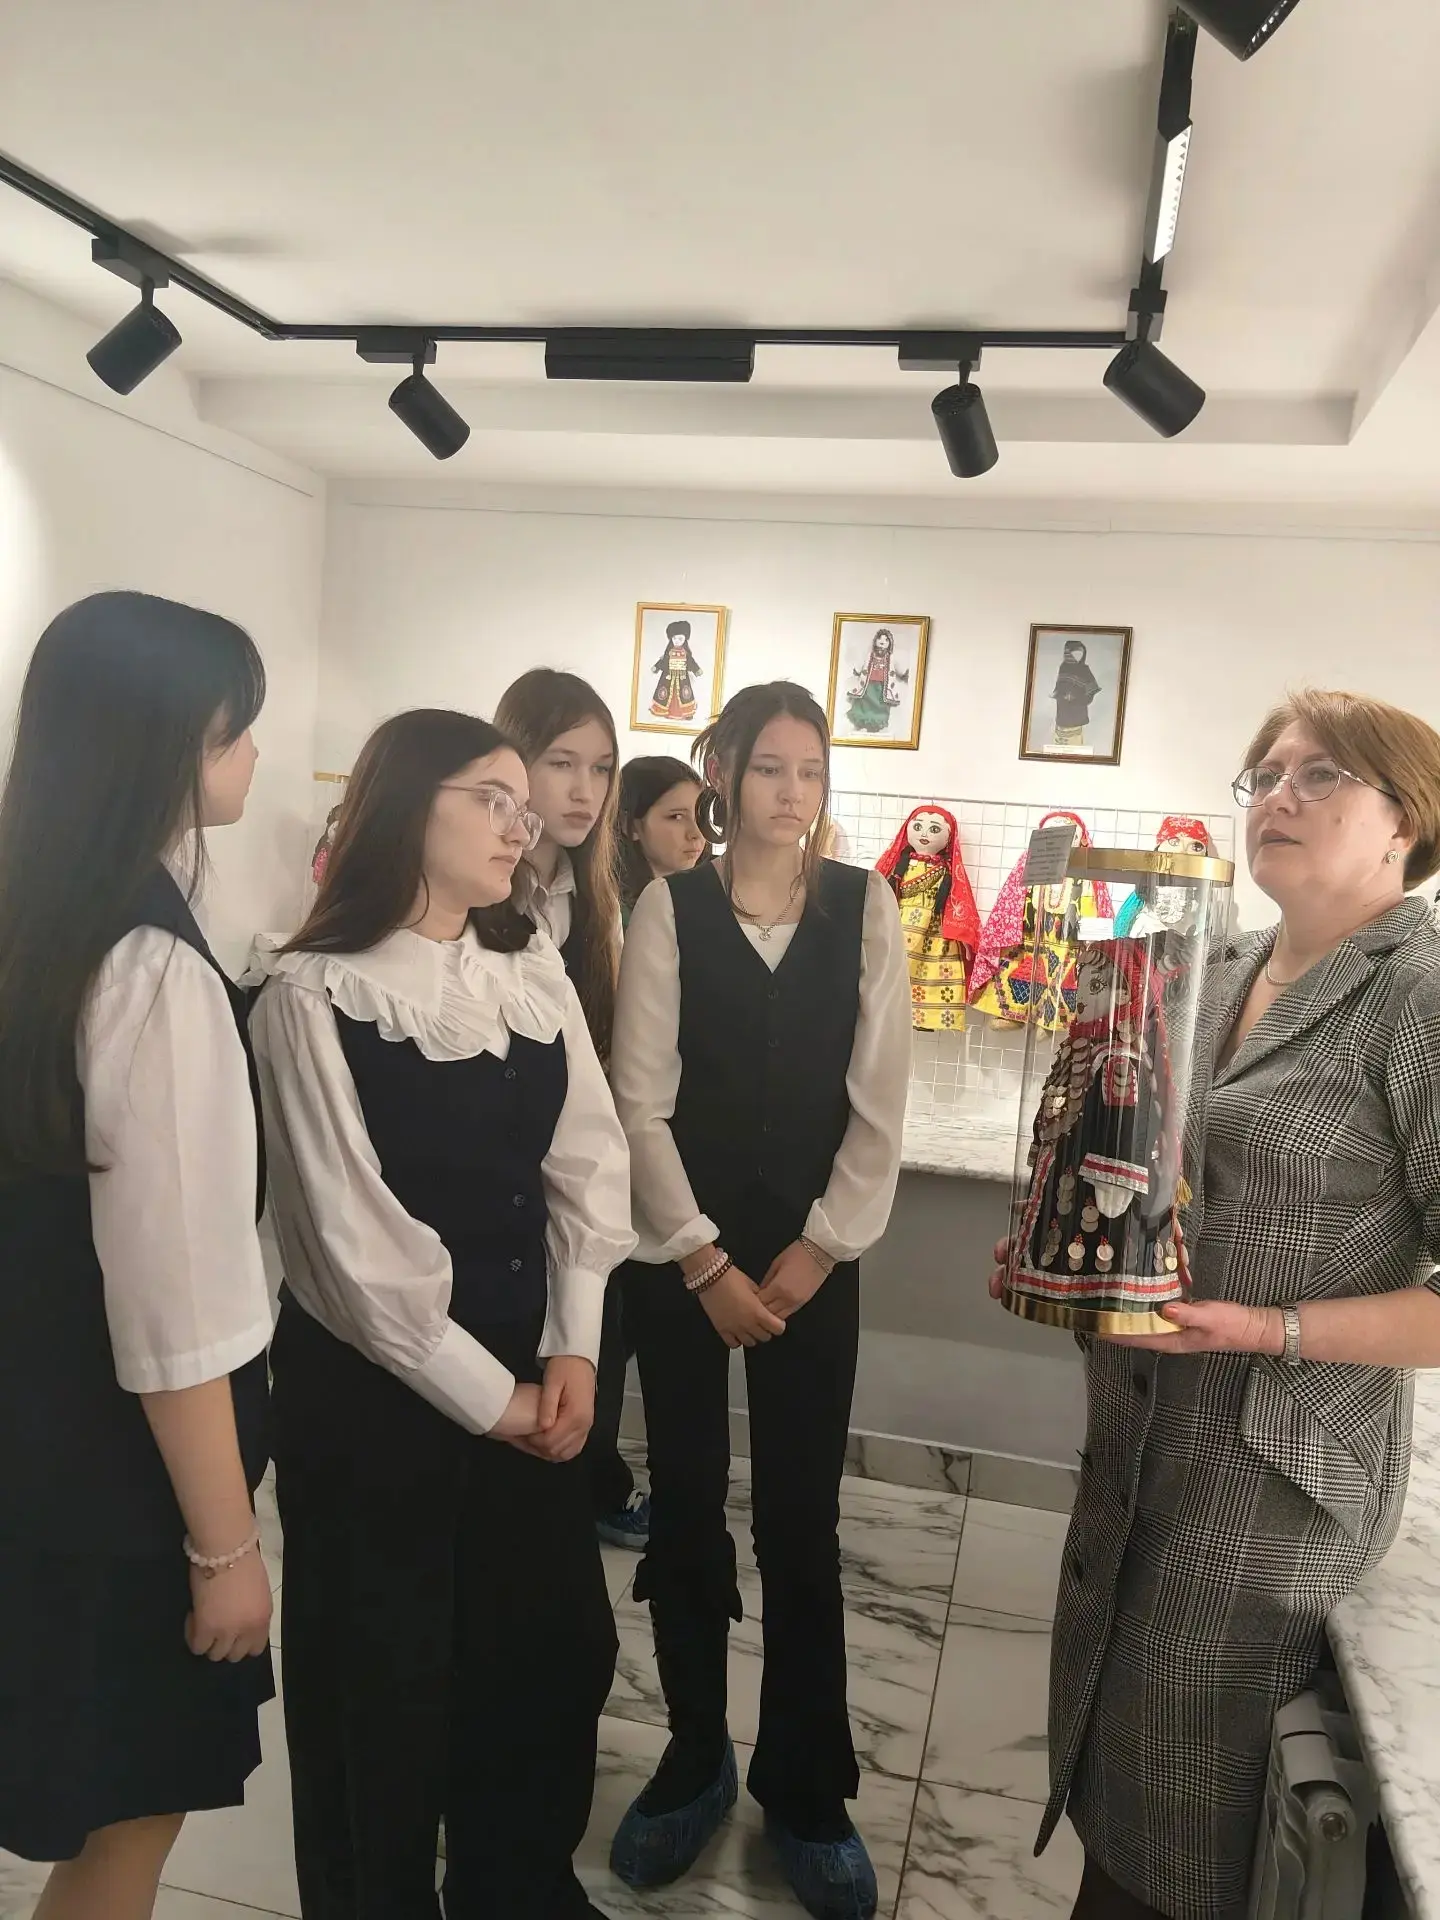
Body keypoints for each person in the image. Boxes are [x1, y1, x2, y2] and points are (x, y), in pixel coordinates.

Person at [990, 688, 1440, 1920]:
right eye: (1266, 774)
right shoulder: (1216, 963)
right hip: (1140, 1445)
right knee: (1111, 1776)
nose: (1279, 796)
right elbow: (1143, 1164)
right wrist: (1062, 1244)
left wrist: (1272, 1328)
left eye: (1321, 775)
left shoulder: (1419, 995)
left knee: (1186, 1839)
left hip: (1269, 1490)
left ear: (1407, 822)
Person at [250, 708, 633, 1920]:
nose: (524, 826)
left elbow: (588, 1166)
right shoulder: (308, 994)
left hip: (532, 1380)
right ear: (408, 805)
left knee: (548, 1657)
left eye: (527, 804)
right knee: (382, 1698)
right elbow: (348, 1251)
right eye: (493, 799)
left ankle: (516, 1893)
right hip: (377, 1408)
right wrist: (493, 1398)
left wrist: (574, 1346)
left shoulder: (528, 968)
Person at [608, 681, 912, 1920]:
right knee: (686, 1503)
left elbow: (880, 1099)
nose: (794, 792)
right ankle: (693, 1757)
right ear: (723, 773)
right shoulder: (671, 906)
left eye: (812, 770)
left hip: (812, 1262)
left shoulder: (865, 904)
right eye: (771, 767)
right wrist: (701, 1260)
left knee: (801, 1518)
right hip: (684, 1260)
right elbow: (640, 1101)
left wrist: (823, 1246)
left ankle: (805, 1784)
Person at [0, 592, 274, 1920]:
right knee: (127, 1818)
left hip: (29, 1439)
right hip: (113, 1485)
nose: (255, 754)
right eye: (236, 730)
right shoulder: (152, 971)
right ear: (168, 747)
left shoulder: (37, 924)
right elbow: (176, 1310)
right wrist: (225, 1549)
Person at [494, 669, 649, 1548]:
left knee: (585, 1363)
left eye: (600, 768)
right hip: (499, 1192)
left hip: (573, 1183)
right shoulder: (482, 887)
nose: (584, 790)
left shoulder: (591, 895)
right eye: (561, 763)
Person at [616, 754, 708, 923]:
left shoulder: (712, 892)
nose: (697, 833)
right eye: (676, 817)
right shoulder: (613, 913)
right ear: (631, 826)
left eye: (700, 815)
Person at [1052, 638, 1102, 747]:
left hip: (1077, 711)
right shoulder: (1063, 667)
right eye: (1074, 653)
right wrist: (1061, 696)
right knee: (1060, 743)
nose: (1077, 656)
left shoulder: (1084, 670)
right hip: (1062, 710)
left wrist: (1080, 700)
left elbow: (1091, 689)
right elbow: (1059, 687)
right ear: (1067, 653)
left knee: (1075, 742)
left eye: (1080, 653)